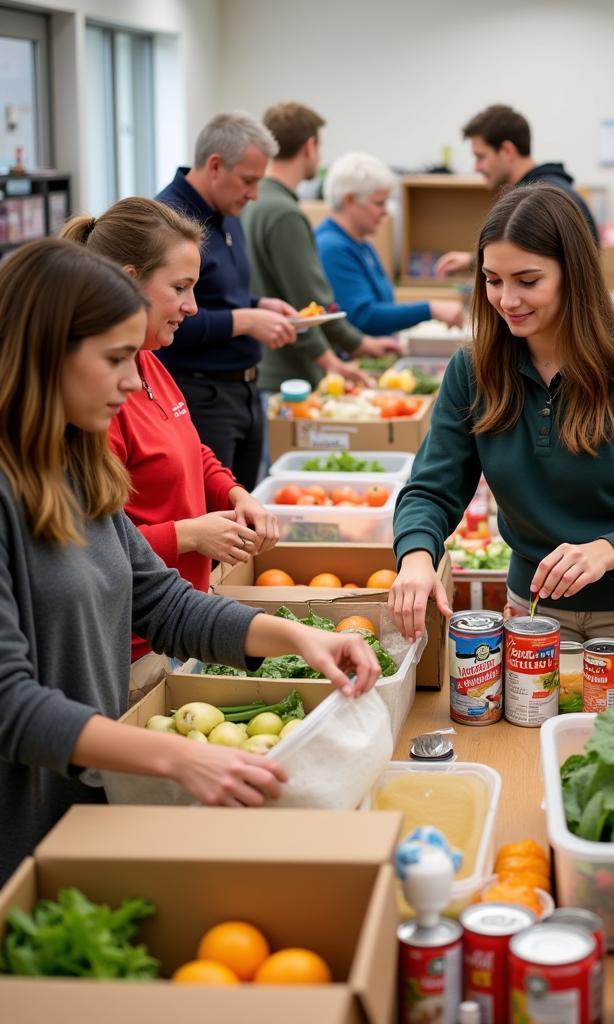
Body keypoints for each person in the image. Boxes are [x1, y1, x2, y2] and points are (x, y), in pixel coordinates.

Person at [0, 238, 381, 883]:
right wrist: (175, 758)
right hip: (21, 840)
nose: (132, 380)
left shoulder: (79, 465)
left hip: (90, 812)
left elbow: (162, 603)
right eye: (116, 359)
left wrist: (298, 636)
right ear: (44, 355)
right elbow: (10, 704)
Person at [389, 185, 614, 643]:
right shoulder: (474, 369)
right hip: (534, 611)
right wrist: (418, 555)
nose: (507, 300)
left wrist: (607, 551)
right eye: (493, 280)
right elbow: (431, 489)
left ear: (571, 274)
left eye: (528, 280)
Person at [61, 198, 280, 663]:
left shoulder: (151, 363)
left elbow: (190, 448)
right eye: (180, 287)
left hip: (177, 622)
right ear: (127, 279)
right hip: (135, 642)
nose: (193, 307)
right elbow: (98, 547)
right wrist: (190, 535)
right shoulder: (97, 403)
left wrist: (234, 493)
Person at [155, 111, 299, 491]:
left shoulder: (227, 210)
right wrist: (247, 321)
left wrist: (259, 304)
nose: (254, 194)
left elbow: (220, 295)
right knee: (216, 520)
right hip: (201, 393)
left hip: (245, 391)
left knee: (243, 518)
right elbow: (169, 317)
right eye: (248, 181)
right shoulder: (170, 221)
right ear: (215, 166)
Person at [244, 102, 401, 397]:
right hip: (287, 375)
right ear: (310, 146)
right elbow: (309, 306)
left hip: (261, 367)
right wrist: (333, 360)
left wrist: (359, 344)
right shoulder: (284, 213)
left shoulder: (253, 201)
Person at [434, 105, 600, 277]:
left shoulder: (539, 202)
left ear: (507, 150)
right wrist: (472, 261)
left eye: (480, 157)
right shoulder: (552, 191)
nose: (476, 167)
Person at [315, 151, 465, 335]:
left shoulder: (361, 244)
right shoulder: (331, 248)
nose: (386, 212)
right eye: (379, 203)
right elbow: (363, 316)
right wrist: (430, 309)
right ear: (349, 200)